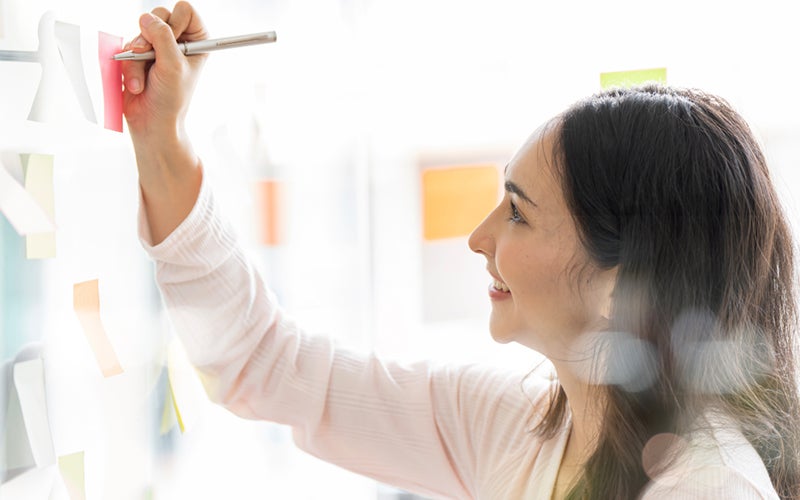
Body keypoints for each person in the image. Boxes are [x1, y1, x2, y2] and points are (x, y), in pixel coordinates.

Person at [121, 3, 800, 499]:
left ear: (621, 282)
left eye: (518, 214)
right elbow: (263, 364)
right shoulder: (517, 426)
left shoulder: (711, 489)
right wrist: (163, 145)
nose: (477, 238)